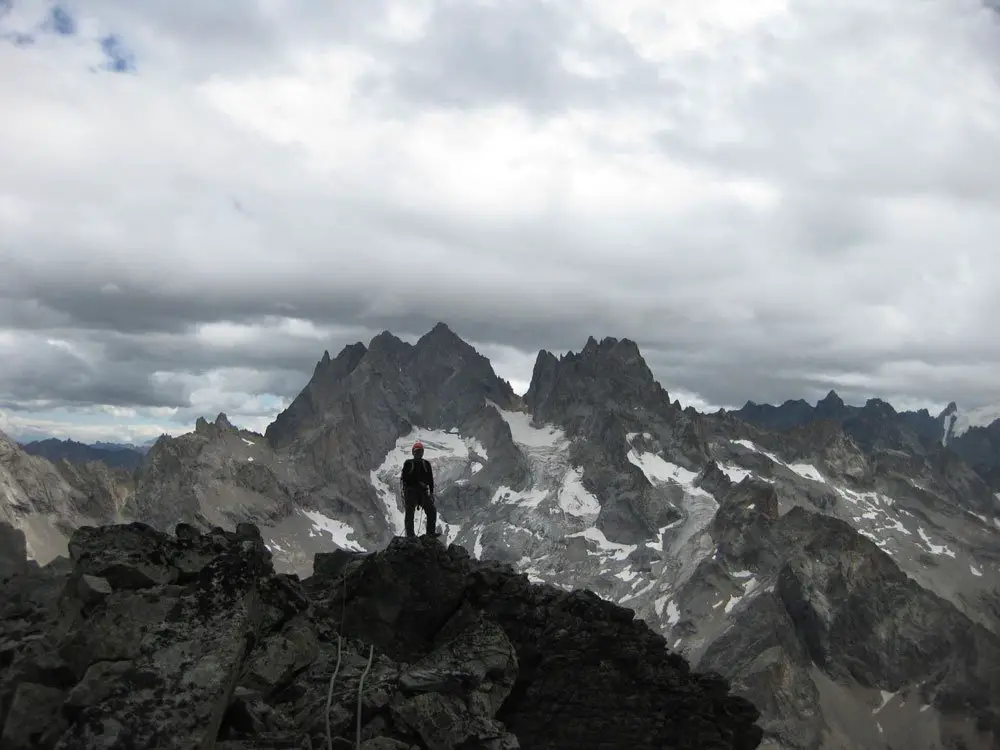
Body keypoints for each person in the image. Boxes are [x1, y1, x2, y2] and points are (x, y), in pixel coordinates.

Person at [400, 440, 439, 538]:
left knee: (431, 510)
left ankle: (429, 533)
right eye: (417, 451)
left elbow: (430, 479)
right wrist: (419, 483)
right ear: (413, 452)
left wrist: (431, 492)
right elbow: (405, 478)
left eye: (420, 451)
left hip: (421, 492)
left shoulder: (425, 464)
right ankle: (411, 535)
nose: (418, 453)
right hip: (411, 492)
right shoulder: (409, 463)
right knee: (410, 513)